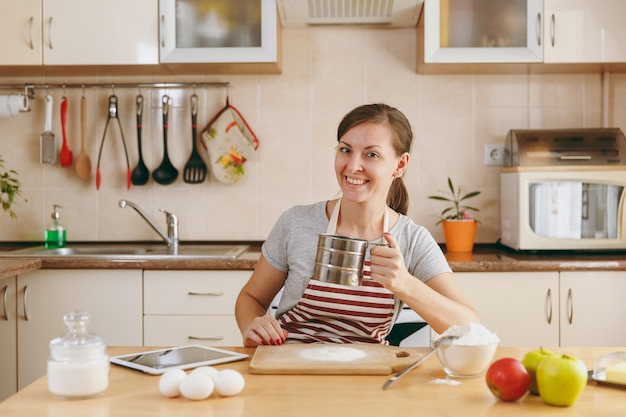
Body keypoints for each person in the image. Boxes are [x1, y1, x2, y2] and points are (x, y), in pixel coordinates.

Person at [235, 103, 479, 347]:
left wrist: (405, 284)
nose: (352, 166)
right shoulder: (296, 223)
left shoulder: (412, 240)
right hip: (289, 367)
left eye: (371, 154)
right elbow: (251, 297)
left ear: (400, 165)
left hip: (368, 374)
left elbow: (471, 329)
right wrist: (253, 324)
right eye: (345, 150)